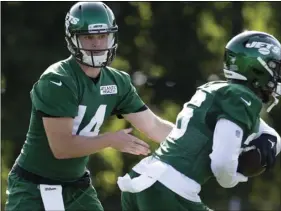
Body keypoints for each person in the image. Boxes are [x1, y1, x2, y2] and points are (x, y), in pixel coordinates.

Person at [5, 2, 175, 211]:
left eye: (102, 36)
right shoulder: (58, 80)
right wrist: (111, 140)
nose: (97, 43)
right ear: (73, 39)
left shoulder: (117, 82)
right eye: (88, 37)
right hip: (32, 187)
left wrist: (198, 142)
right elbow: (62, 148)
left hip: (76, 188)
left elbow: (154, 126)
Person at [118, 30, 281, 211]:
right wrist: (237, 175)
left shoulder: (214, 88)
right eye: (275, 67)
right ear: (257, 67)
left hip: (143, 179)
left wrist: (272, 138)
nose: (277, 75)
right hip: (170, 189)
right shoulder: (241, 97)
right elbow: (222, 164)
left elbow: (256, 126)